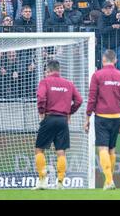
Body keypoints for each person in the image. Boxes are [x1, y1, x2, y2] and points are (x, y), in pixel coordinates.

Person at [33, 59, 83, 190]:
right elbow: (79, 100)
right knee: (61, 152)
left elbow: (41, 97)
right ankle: (60, 183)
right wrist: (69, 112)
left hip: (49, 117)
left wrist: (41, 112)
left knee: (39, 149)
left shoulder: (44, 82)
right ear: (59, 70)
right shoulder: (68, 84)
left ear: (48, 71)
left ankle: (42, 180)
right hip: (63, 120)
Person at [85, 49, 120, 190]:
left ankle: (109, 180)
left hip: (101, 117)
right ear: (116, 60)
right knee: (112, 149)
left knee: (103, 148)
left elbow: (92, 98)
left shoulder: (97, 75)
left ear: (103, 60)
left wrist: (87, 117)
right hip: (116, 117)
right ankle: (109, 181)